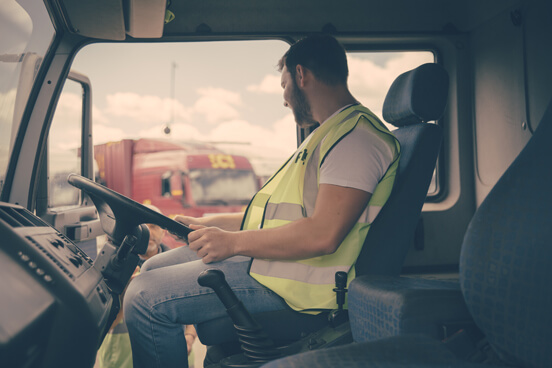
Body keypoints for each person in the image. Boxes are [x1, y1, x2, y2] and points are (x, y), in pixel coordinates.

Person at [124, 34, 400, 368]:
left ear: (301, 76)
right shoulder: (327, 134)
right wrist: (210, 226)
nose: (285, 99)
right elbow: (276, 217)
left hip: (306, 286)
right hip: (282, 266)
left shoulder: (355, 139)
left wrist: (234, 243)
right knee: (151, 268)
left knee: (144, 298)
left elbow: (322, 235)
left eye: (284, 85)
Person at [97, 205, 197, 368]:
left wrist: (190, 336)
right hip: (123, 360)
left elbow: (192, 307)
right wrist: (124, 291)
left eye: (154, 226)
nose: (149, 232)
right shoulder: (115, 264)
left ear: (163, 232)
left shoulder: (178, 263)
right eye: (144, 227)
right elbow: (105, 324)